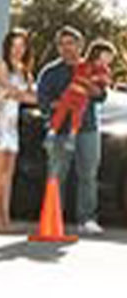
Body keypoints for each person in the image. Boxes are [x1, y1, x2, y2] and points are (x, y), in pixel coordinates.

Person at [37, 29, 114, 235]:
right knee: (56, 175)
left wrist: (91, 89)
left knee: (88, 175)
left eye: (71, 43)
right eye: (62, 44)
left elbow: (101, 95)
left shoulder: (91, 67)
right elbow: (42, 101)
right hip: (59, 130)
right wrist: (63, 102)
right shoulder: (50, 72)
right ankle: (54, 219)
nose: (66, 48)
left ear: (80, 46)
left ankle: (87, 219)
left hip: (88, 129)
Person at [0, 29, 35, 233]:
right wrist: (19, 94)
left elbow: (30, 98)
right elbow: (7, 90)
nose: (18, 50)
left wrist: (19, 94)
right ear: (7, 47)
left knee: (8, 172)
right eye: (14, 45)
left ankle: (5, 215)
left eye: (22, 46)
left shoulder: (24, 70)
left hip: (11, 124)